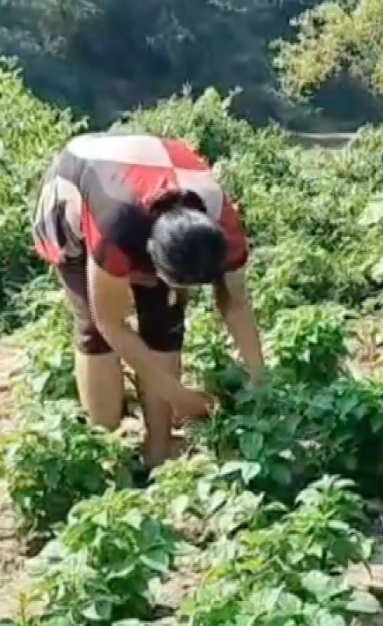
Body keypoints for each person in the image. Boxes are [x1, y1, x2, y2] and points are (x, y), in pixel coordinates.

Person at [31, 133, 265, 467]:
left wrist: (259, 382)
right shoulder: (116, 224)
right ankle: (104, 450)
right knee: (95, 336)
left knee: (165, 322)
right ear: (152, 257)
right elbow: (109, 322)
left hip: (151, 177)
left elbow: (237, 304)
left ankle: (158, 452)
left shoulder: (221, 223)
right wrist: (176, 394)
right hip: (79, 186)